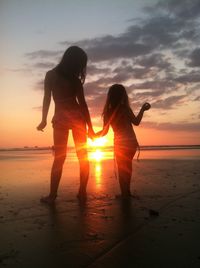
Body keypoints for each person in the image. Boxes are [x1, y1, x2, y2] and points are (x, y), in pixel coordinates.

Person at [37, 46, 94, 204]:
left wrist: (44, 119)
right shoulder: (74, 80)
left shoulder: (51, 75)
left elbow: (47, 99)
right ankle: (81, 192)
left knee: (59, 158)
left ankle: (53, 195)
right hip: (76, 117)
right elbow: (82, 105)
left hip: (62, 117)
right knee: (82, 157)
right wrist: (90, 127)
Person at [94, 84, 151, 198]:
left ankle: (124, 193)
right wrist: (142, 110)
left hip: (120, 144)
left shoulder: (108, 112)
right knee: (128, 167)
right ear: (122, 96)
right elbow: (136, 122)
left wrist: (93, 135)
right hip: (131, 143)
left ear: (110, 97)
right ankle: (127, 192)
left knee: (122, 169)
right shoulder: (125, 109)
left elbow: (104, 132)